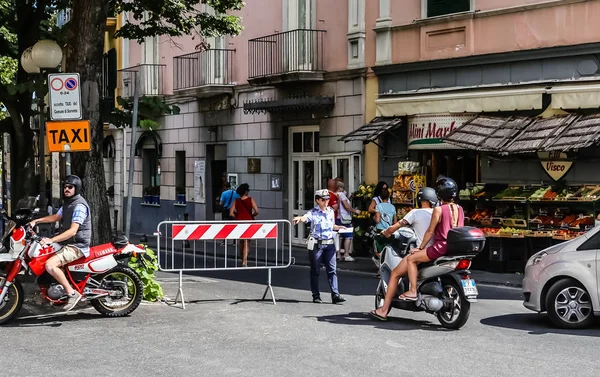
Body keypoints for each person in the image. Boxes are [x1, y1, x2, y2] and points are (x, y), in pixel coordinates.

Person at [369, 177, 464, 321]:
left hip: (432, 250)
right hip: (451, 249)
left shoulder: (419, 212)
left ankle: (385, 309)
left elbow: (406, 227)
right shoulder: (457, 209)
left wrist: (387, 233)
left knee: (396, 273)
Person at [28, 175, 91, 311]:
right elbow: (56, 217)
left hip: (76, 245)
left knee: (50, 265)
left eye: (70, 187)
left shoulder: (79, 206)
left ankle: (72, 293)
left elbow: (73, 231)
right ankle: (47, 294)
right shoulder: (68, 203)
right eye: (65, 187)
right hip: (67, 243)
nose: (66, 189)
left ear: (77, 188)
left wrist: (51, 240)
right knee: (41, 256)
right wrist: (36, 221)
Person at [293, 189, 347, 304]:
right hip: (317, 245)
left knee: (332, 270)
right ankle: (316, 295)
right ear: (317, 200)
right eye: (323, 199)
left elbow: (332, 226)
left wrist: (339, 227)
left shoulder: (330, 212)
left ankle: (335, 295)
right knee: (315, 271)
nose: (326, 201)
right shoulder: (313, 212)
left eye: (327, 199)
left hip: (329, 244)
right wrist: (299, 219)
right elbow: (305, 218)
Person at [229, 183, 258, 267]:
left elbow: (231, 213)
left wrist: (237, 216)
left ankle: (241, 256)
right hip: (248, 222)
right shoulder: (251, 199)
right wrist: (251, 216)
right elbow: (256, 211)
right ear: (246, 192)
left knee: (241, 240)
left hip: (239, 222)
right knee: (247, 241)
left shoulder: (236, 201)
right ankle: (244, 261)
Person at [336, 181, 360, 262]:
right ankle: (346, 254)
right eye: (342, 187)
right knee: (348, 236)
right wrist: (355, 211)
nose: (343, 189)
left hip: (338, 217)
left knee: (340, 236)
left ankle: (338, 254)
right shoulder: (342, 195)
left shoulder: (335, 194)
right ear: (340, 188)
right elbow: (346, 206)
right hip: (344, 218)